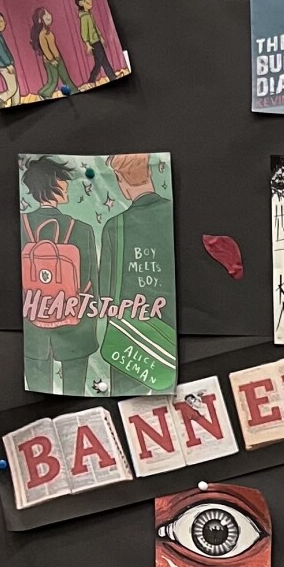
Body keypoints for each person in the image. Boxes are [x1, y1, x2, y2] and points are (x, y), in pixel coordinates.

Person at [20, 155, 99, 395]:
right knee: (77, 394)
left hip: (32, 329)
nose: (66, 186)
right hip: (75, 327)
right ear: (51, 183)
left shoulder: (20, 226)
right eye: (62, 181)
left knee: (35, 397)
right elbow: (91, 285)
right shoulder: (82, 230)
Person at [95, 154, 174, 395]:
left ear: (120, 180)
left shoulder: (115, 226)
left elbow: (105, 291)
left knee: (127, 399)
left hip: (129, 334)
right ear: (149, 172)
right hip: (173, 330)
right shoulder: (173, 214)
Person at [74, 0, 114, 84]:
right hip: (94, 43)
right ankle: (91, 80)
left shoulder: (89, 14)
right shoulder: (84, 17)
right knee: (99, 62)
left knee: (103, 61)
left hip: (97, 40)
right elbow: (84, 32)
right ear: (81, 3)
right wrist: (87, 44)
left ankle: (112, 77)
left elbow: (95, 27)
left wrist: (101, 37)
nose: (90, 0)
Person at [29, 6, 70, 99]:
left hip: (56, 58)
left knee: (60, 78)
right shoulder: (42, 33)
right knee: (53, 80)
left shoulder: (47, 31)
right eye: (45, 14)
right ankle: (45, 94)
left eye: (48, 13)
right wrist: (51, 59)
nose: (49, 16)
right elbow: (45, 48)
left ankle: (43, 93)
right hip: (52, 60)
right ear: (40, 20)